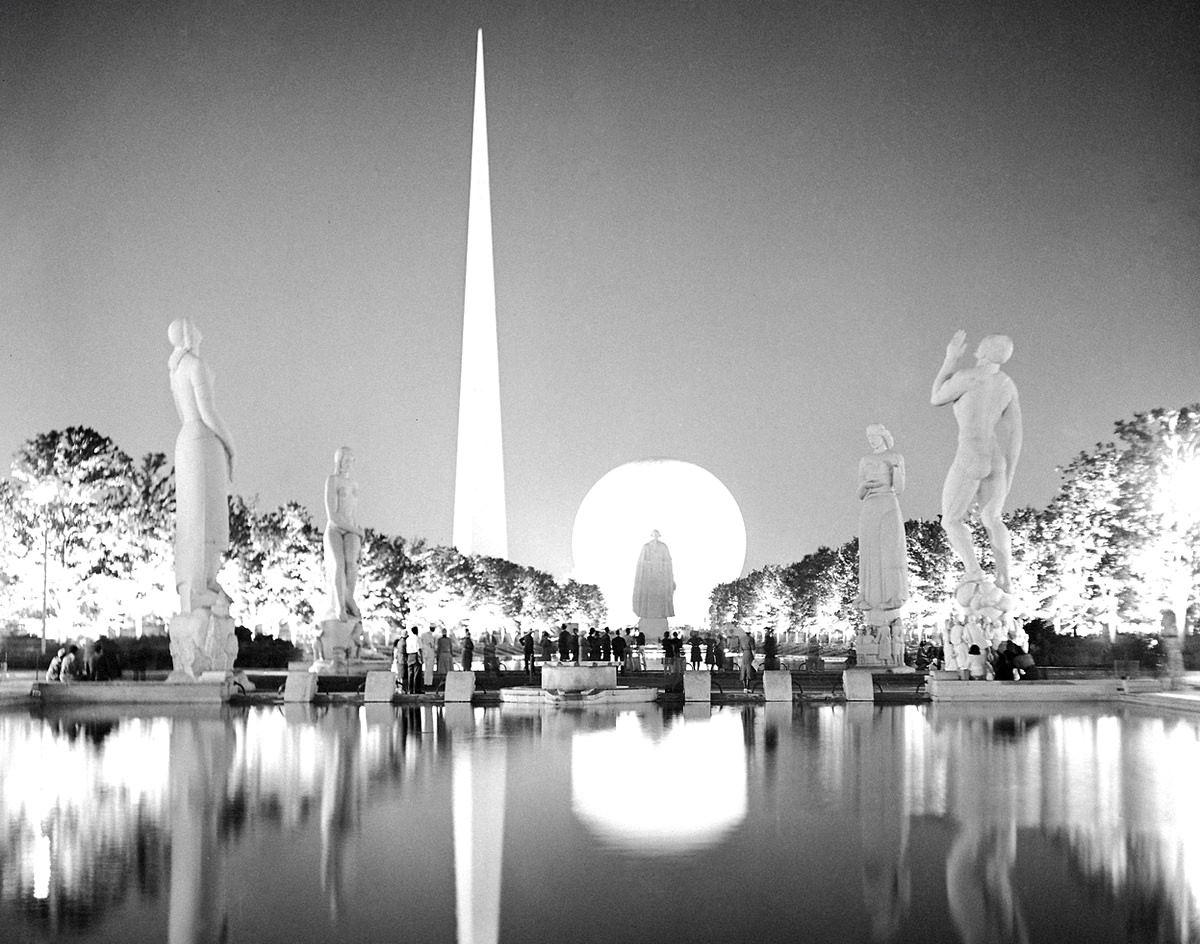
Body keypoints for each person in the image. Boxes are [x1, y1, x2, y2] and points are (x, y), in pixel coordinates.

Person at [931, 331, 1023, 591]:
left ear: (983, 350)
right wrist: (1010, 473)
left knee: (950, 519)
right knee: (993, 518)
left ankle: (974, 571)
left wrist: (949, 361)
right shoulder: (1007, 384)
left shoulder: (967, 377)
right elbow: (1016, 434)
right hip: (996, 458)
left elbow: (936, 397)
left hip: (971, 454)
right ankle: (1005, 578)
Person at [168, 317, 236, 615]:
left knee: (195, 516)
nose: (199, 328)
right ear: (188, 334)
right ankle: (201, 584)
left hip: (186, 440)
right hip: (203, 440)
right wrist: (231, 446)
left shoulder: (175, 369)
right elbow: (207, 411)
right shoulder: (194, 365)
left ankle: (200, 584)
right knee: (205, 515)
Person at [855, 424, 909, 630]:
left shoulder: (896, 456)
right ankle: (868, 597)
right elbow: (859, 492)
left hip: (889, 502)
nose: (871, 440)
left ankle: (892, 596)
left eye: (874, 436)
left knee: (890, 551)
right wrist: (865, 486)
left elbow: (901, 488)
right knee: (869, 553)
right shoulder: (865, 460)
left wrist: (895, 468)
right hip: (870, 505)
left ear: (883, 436)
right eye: (868, 437)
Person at [323, 446, 364, 621]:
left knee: (351, 564)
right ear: (339, 461)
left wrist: (356, 532)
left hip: (351, 529)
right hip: (335, 528)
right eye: (346, 460)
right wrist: (357, 531)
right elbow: (333, 515)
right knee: (339, 564)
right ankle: (340, 604)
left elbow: (352, 512)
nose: (349, 464)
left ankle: (349, 598)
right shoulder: (332, 480)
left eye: (351, 460)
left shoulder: (354, 484)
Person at [632, 530, 675, 626]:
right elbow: (641, 563)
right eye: (653, 535)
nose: (655, 537)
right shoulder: (646, 547)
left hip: (660, 576)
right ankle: (647, 613)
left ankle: (660, 614)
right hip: (649, 576)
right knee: (648, 597)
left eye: (657, 535)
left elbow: (668, 562)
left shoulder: (663, 546)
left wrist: (669, 578)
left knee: (660, 597)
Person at [406, 627, 424, 694]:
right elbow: (419, 649)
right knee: (417, 674)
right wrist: (421, 658)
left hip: (409, 656)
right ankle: (417, 690)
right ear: (417, 631)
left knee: (410, 674)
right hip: (416, 655)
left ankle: (410, 690)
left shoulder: (408, 639)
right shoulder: (417, 638)